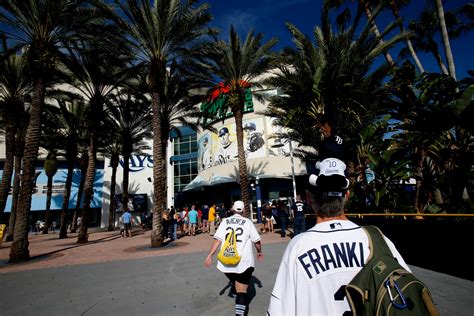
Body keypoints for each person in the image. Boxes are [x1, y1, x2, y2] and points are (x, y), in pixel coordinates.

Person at [267, 158, 411, 315]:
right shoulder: (379, 241)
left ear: (309, 198)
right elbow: (409, 293)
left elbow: (278, 311)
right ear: (347, 195)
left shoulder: (298, 247)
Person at [204, 201, 264, 316]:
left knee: (235, 282)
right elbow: (257, 241)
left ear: (232, 209)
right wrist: (259, 252)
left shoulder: (225, 221)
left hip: (226, 262)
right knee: (242, 291)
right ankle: (240, 313)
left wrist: (210, 255)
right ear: (243, 210)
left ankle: (236, 287)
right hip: (243, 261)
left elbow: (217, 239)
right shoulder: (247, 222)